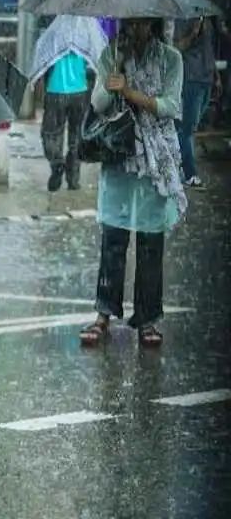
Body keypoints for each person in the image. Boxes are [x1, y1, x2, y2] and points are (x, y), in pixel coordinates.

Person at [79, 19, 185, 348]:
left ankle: (148, 319)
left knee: (151, 243)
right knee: (113, 237)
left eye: (141, 21)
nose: (134, 27)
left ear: (152, 23)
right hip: (120, 152)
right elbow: (98, 104)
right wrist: (113, 79)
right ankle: (103, 313)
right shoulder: (111, 54)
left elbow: (171, 106)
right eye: (130, 21)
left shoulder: (171, 59)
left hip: (157, 160)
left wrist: (131, 93)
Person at [168, 0, 221, 189]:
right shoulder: (183, 8)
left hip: (206, 75)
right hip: (190, 76)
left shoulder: (205, 6)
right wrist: (193, 32)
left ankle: (176, 164)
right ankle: (188, 173)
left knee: (190, 127)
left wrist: (216, 77)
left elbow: (211, 47)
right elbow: (178, 45)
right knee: (185, 128)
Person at [41, 50, 92, 192]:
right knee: (77, 137)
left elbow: (44, 64)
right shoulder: (83, 39)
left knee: (51, 133)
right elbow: (90, 64)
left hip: (56, 89)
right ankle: (73, 179)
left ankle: (57, 163)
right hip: (80, 90)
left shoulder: (54, 39)